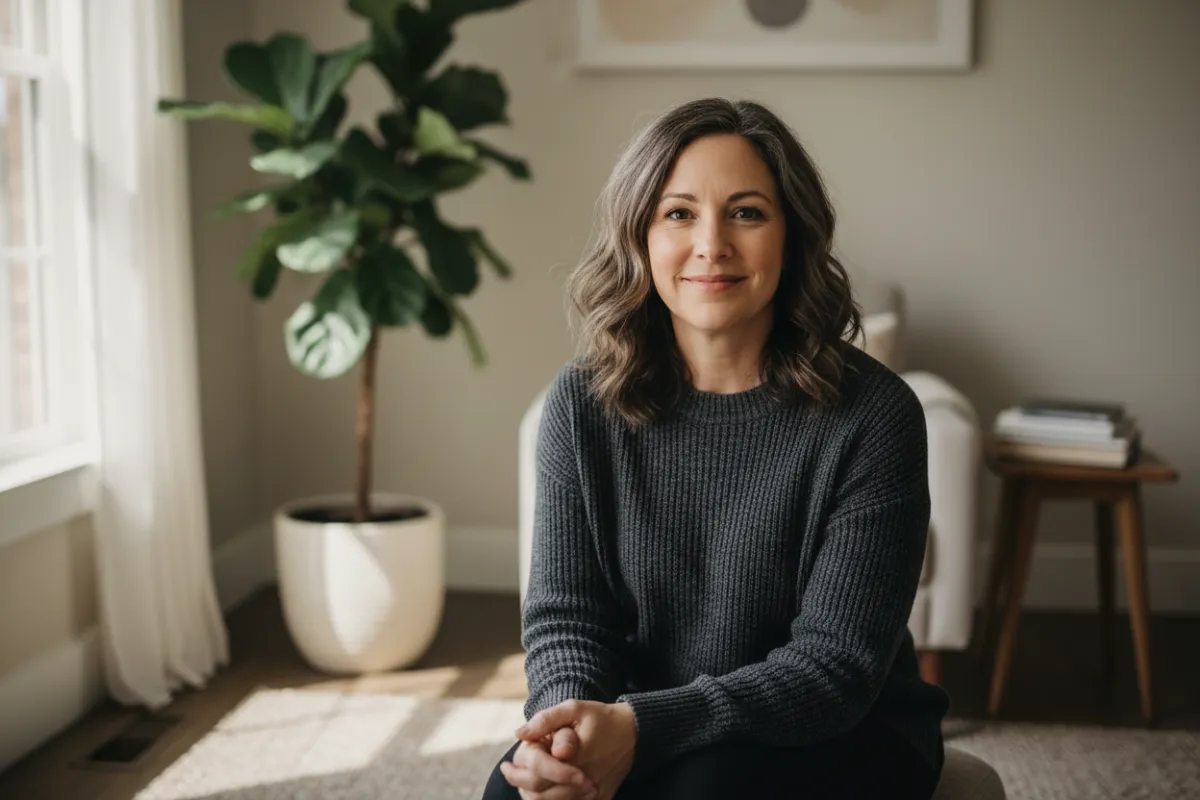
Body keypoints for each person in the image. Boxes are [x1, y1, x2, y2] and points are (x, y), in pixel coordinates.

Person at [481, 97, 950, 800]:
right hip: (645, 712)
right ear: (639, 234)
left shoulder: (874, 416)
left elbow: (835, 666)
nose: (712, 244)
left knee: (708, 786)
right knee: (513, 792)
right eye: (679, 213)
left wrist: (641, 725)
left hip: (843, 726)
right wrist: (569, 730)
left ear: (792, 234)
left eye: (747, 212)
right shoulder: (581, 407)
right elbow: (568, 617)